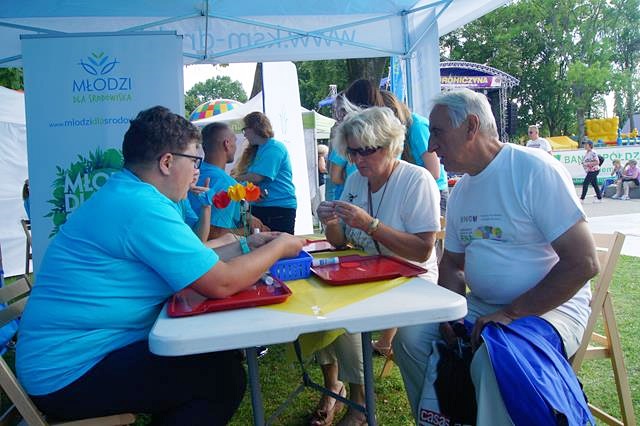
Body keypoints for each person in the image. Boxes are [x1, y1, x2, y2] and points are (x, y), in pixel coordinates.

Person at [16, 106, 304, 425]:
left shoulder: (130, 193)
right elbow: (221, 283)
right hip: (67, 371)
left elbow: (199, 261)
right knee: (222, 380)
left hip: (74, 355)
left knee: (215, 360)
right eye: (193, 161)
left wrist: (249, 244)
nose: (196, 170)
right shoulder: (142, 206)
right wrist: (279, 246)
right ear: (167, 162)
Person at [392, 89, 599, 425]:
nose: (430, 146)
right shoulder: (462, 190)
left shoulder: (533, 170)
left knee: (493, 356)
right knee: (411, 338)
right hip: (485, 307)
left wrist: (511, 313)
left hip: (551, 309)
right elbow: (453, 265)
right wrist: (449, 316)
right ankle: (443, 419)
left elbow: (583, 263)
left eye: (438, 132)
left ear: (471, 126)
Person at [315, 106, 441, 426]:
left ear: (390, 144)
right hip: (368, 275)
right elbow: (339, 241)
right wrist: (331, 221)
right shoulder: (356, 180)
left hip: (412, 280)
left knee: (403, 338)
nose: (358, 160)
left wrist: (371, 225)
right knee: (323, 312)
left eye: (366, 151)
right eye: (353, 152)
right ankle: (349, 393)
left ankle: (360, 403)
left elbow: (422, 251)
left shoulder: (416, 179)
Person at [189, 122, 268, 239]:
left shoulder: (192, 175)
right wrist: (249, 231)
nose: (235, 147)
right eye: (234, 141)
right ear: (226, 144)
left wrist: (248, 217)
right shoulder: (227, 184)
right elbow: (213, 234)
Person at [232, 112, 297, 234]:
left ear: (254, 128)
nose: (244, 134)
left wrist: (234, 179)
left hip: (278, 208)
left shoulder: (274, 148)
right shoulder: (258, 150)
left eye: (245, 129)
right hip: (261, 206)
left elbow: (257, 177)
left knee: (278, 244)